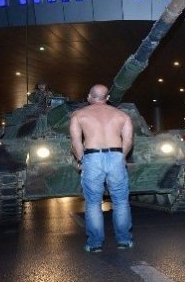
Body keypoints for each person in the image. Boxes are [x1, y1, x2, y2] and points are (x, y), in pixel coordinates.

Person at [69, 84, 134, 253]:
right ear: (108, 98)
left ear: (90, 97)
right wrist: (122, 156)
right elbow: (128, 141)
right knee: (120, 202)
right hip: (116, 156)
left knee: (93, 203)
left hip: (92, 157)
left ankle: (95, 243)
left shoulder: (79, 115)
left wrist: (81, 159)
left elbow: (76, 141)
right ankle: (124, 240)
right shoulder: (122, 115)